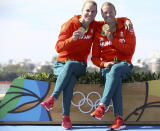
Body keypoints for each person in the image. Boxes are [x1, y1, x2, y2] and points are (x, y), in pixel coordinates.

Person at [40, 0, 132, 129]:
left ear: (96, 14)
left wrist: (126, 19)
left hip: (79, 65)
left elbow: (111, 19)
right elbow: (58, 48)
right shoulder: (69, 25)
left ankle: (52, 99)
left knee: (72, 65)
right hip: (61, 65)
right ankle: (65, 118)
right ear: (82, 11)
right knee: (70, 79)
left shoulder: (95, 26)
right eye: (88, 10)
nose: (90, 13)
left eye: (93, 11)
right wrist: (73, 39)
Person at [90, 2, 136, 130]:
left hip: (124, 65)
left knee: (116, 69)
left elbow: (129, 51)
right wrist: (104, 64)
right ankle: (119, 120)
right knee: (114, 77)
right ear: (102, 15)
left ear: (115, 13)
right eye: (105, 12)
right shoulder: (99, 31)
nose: (108, 14)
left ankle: (102, 106)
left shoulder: (126, 27)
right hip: (106, 69)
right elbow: (94, 58)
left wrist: (113, 40)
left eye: (110, 12)